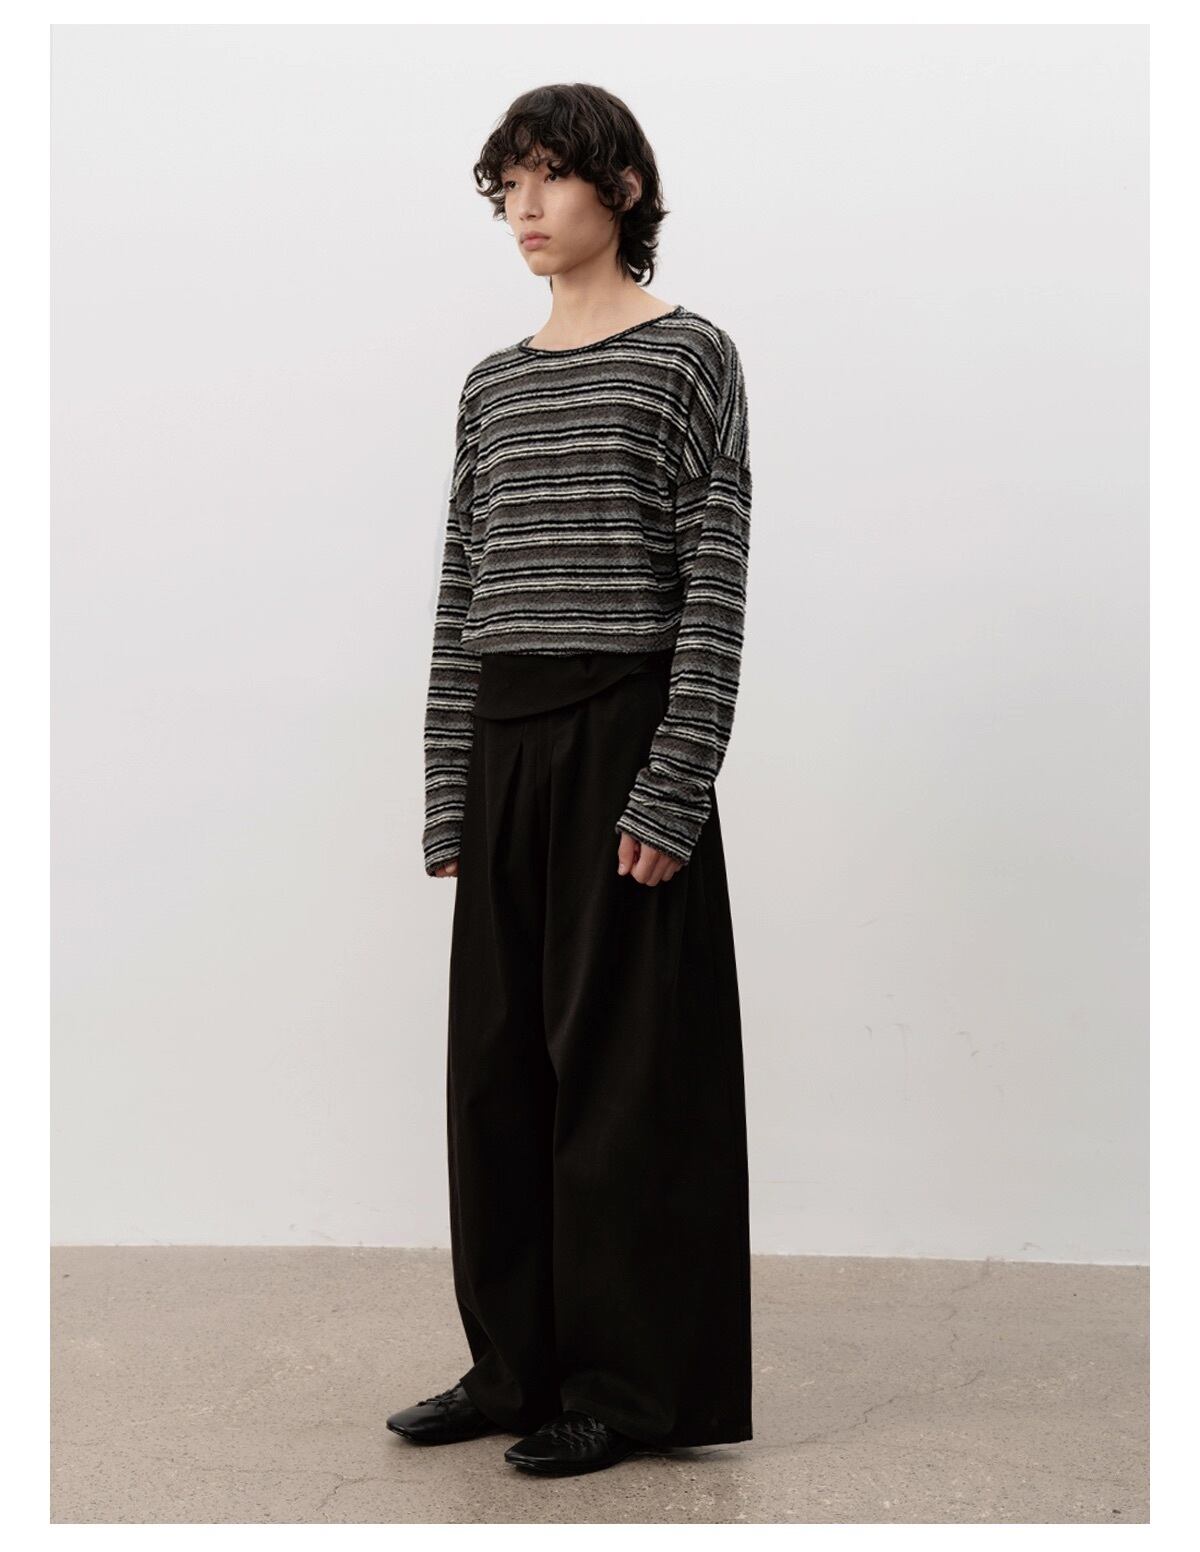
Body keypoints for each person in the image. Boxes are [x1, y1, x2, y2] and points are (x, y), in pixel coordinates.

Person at [386, 82, 754, 1478]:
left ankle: (624, 1383)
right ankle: (512, 1368)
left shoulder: (690, 357)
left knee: (624, 1075)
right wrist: (448, 783)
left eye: (549, 177)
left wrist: (673, 783)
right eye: (508, 186)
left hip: (623, 727)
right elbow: (462, 587)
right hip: (506, 737)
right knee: (495, 1069)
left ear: (623, 188)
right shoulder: (492, 385)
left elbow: (714, 585)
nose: (525, 209)